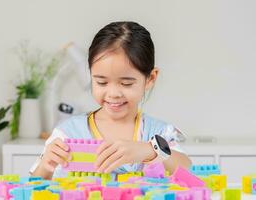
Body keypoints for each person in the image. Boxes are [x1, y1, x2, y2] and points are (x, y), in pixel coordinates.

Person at [30, 21, 191, 180]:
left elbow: (188, 171)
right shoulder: (67, 132)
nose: (113, 93)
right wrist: (45, 165)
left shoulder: (159, 133)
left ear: (150, 78)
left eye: (126, 83)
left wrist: (150, 150)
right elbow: (33, 186)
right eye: (101, 82)